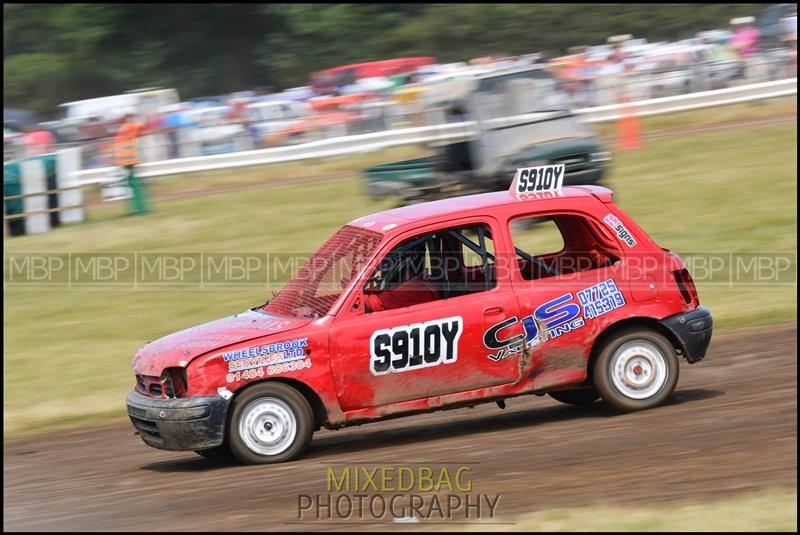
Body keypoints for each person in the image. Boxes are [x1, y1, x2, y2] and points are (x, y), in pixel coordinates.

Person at [113, 111, 150, 214]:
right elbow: (143, 128)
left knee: (130, 183)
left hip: (122, 159)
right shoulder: (131, 125)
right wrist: (145, 118)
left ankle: (134, 207)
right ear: (128, 119)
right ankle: (139, 207)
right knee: (135, 183)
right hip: (129, 159)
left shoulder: (122, 128)